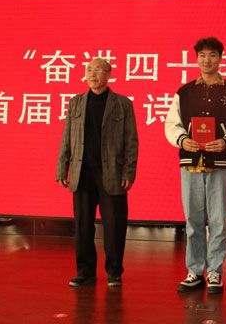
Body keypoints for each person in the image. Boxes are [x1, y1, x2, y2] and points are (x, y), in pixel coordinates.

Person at [165, 37, 226, 294]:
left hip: (221, 162)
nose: (207, 60)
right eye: (203, 55)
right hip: (190, 161)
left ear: (220, 58)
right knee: (192, 220)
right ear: (196, 59)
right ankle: (194, 271)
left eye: (212, 55)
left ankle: (215, 271)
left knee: (218, 219)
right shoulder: (185, 92)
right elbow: (172, 124)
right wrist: (182, 139)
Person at [56, 58, 138, 288]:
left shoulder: (122, 104)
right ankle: (85, 272)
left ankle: (114, 272)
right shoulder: (76, 102)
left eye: (98, 70)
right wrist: (62, 167)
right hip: (82, 172)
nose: (92, 74)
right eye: (89, 70)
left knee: (114, 224)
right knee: (83, 224)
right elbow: (66, 137)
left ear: (108, 74)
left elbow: (131, 141)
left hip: (112, 172)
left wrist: (129, 171)